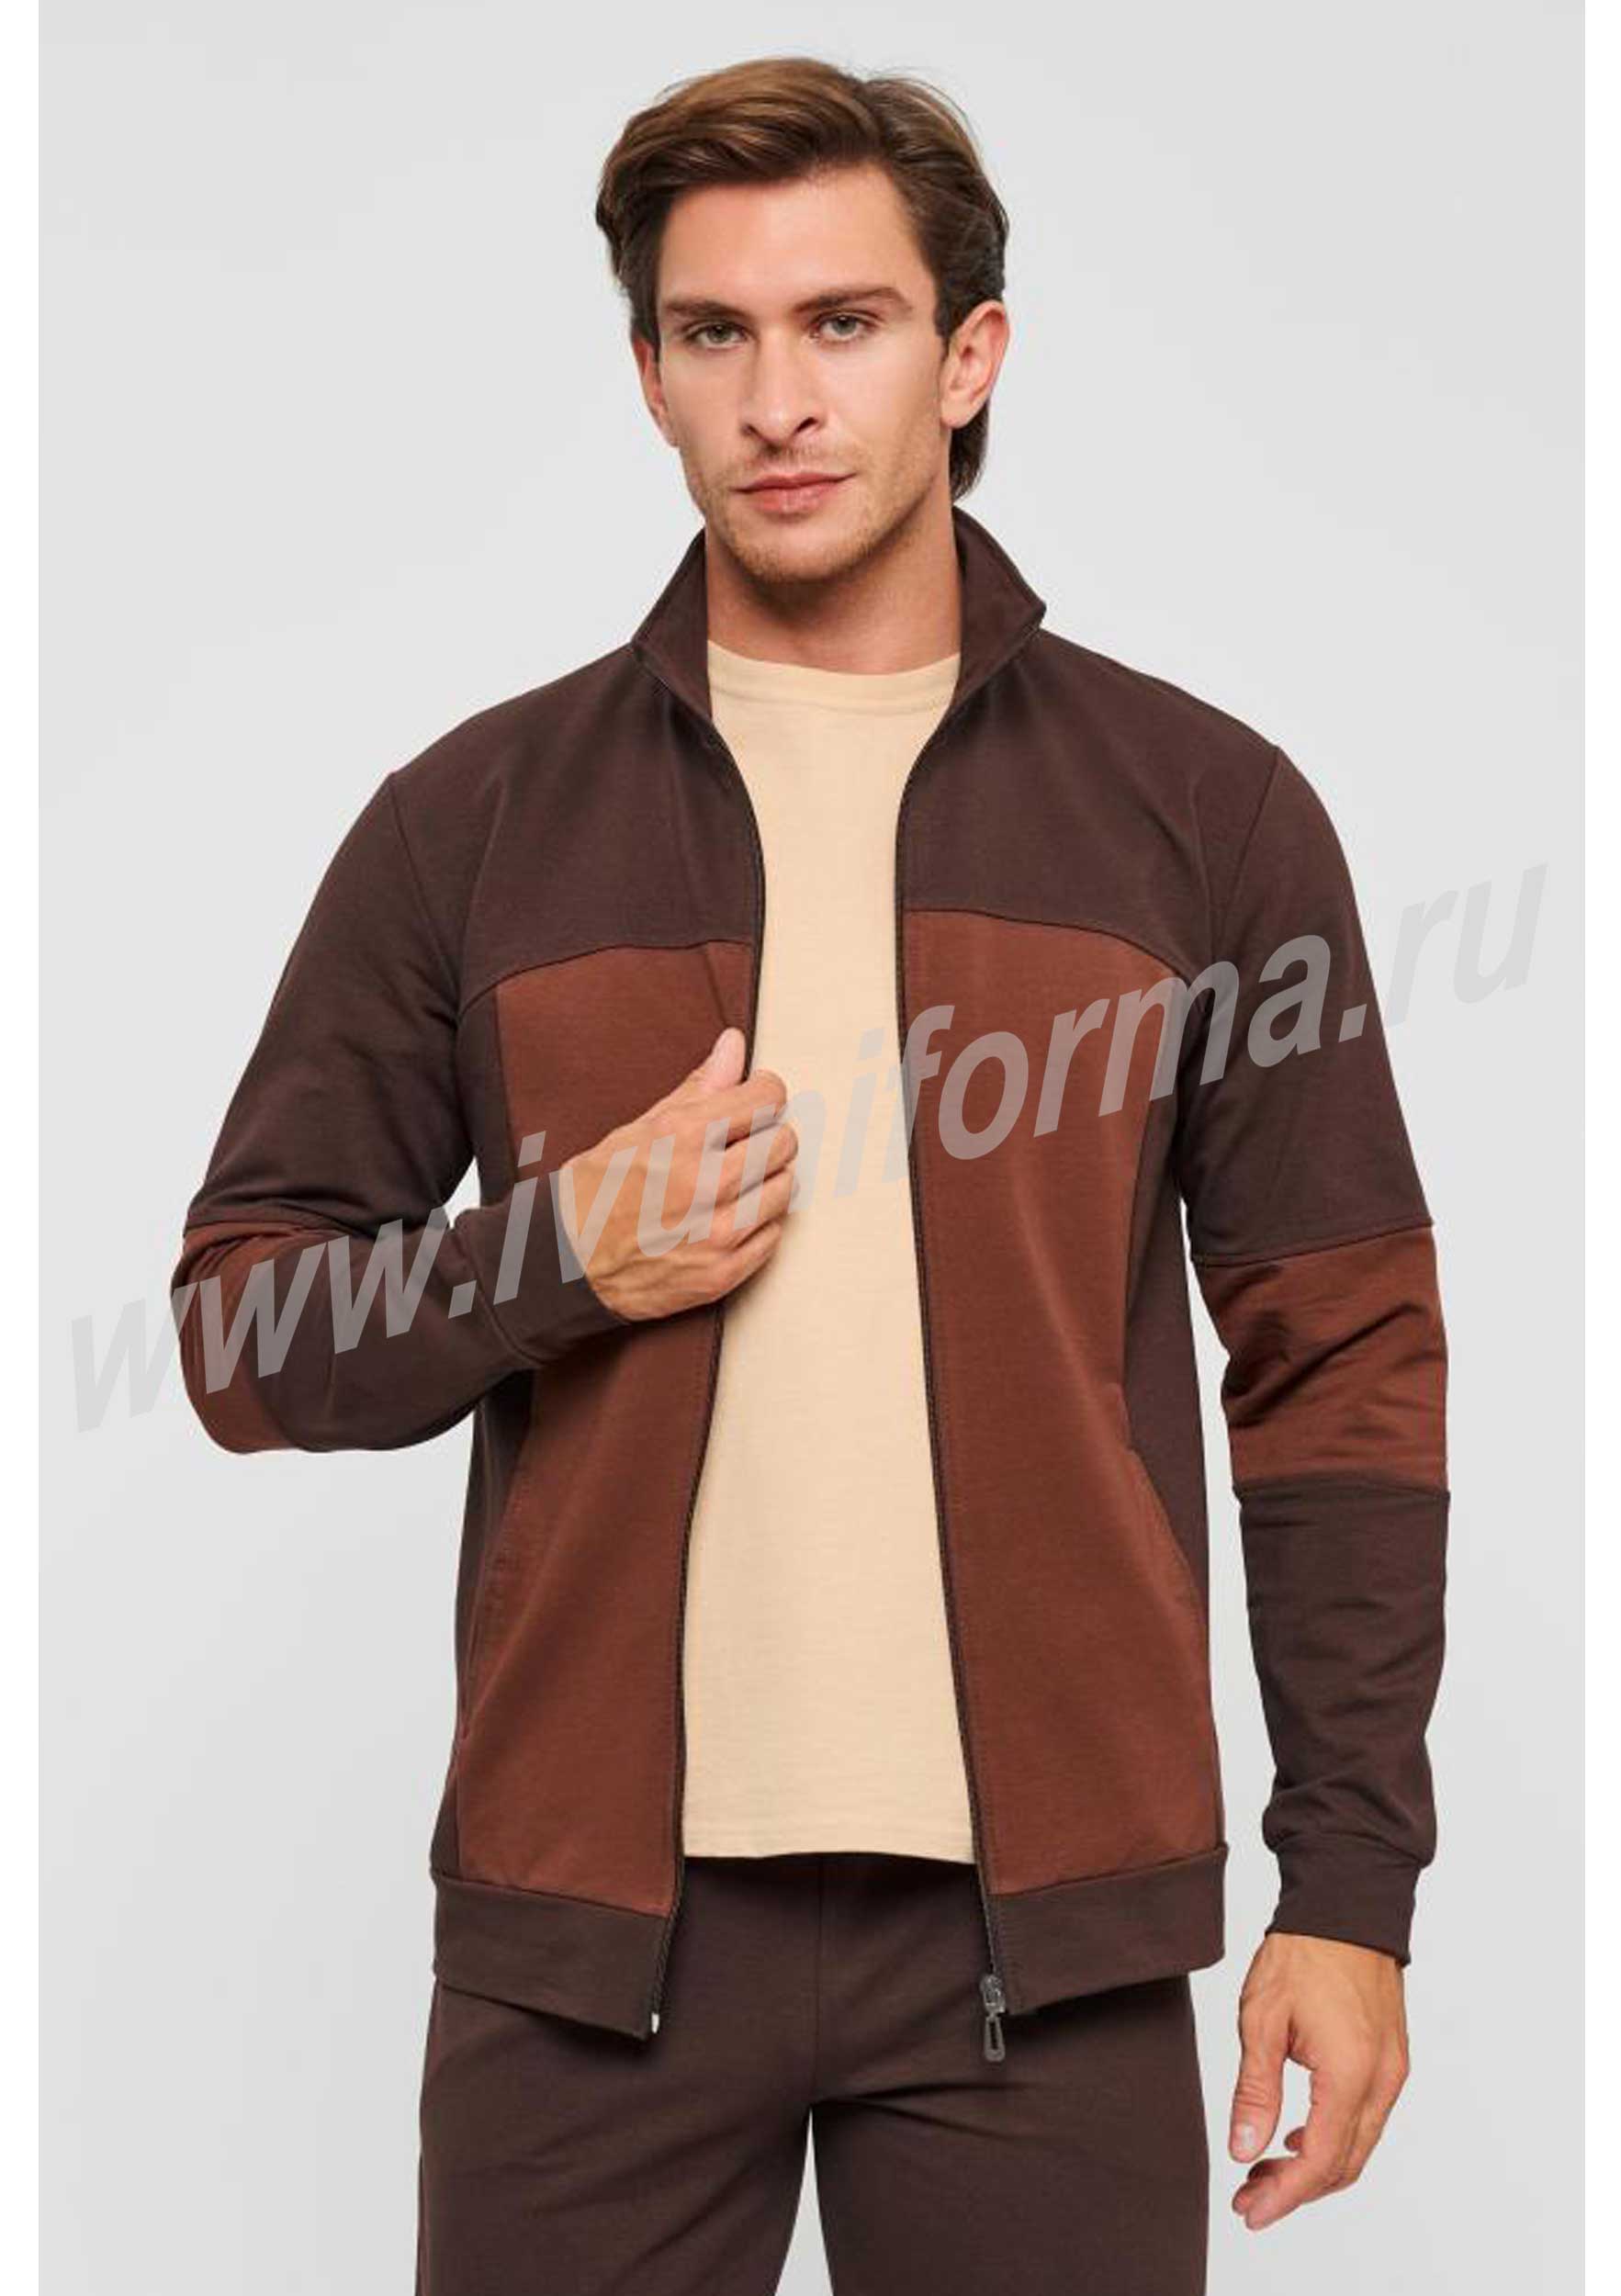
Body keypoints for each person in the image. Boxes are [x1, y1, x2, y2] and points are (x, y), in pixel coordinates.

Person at [171, 53, 1449, 2296]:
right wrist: (556, 1254)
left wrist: (1347, 1892)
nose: (777, 398)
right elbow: (242, 1327)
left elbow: (1339, 1363)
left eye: (844, 323)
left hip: (1042, 1959)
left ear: (968, 357)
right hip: (589, 1962)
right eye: (714, 331)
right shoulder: (477, 820)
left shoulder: (1201, 814)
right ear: (648, 375)